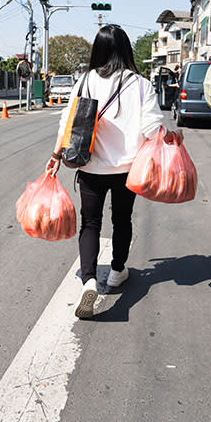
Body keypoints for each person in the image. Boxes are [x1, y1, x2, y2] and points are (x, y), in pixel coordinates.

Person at [46, 24, 169, 319]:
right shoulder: (140, 84)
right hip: (129, 170)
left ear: (97, 50)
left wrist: (55, 155)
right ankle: (116, 271)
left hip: (90, 166)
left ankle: (89, 280)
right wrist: (169, 141)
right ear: (125, 49)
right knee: (122, 219)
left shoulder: (85, 80)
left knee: (90, 223)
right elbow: (152, 128)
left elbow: (68, 122)